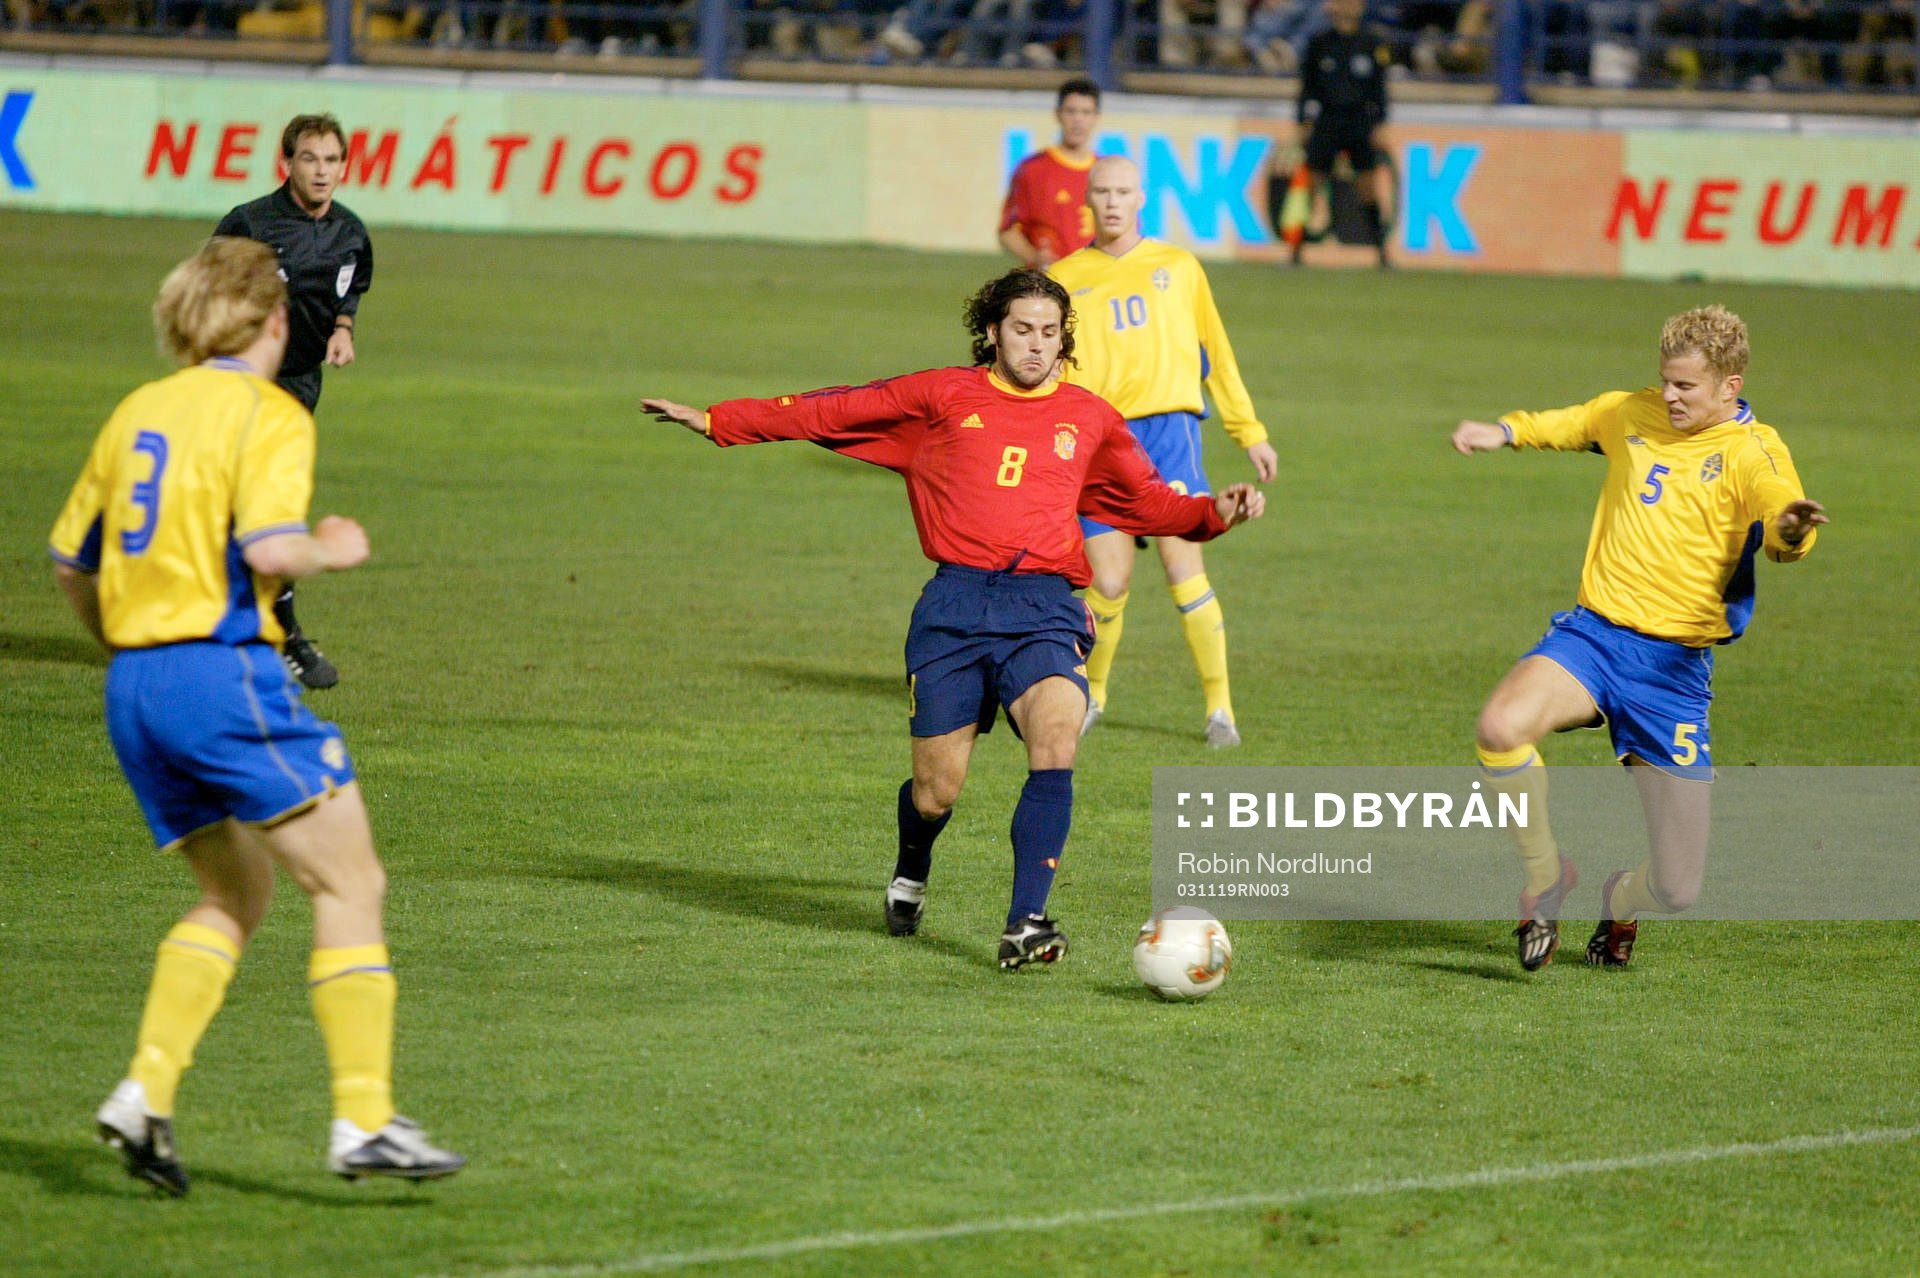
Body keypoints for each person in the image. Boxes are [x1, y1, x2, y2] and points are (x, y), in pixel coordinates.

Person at [640, 269, 1263, 969]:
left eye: (1050, 334)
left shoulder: (1090, 418)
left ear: (1064, 341)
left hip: (1045, 607)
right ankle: (911, 868)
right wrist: (722, 421)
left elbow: (1149, 501)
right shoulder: (942, 396)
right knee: (938, 791)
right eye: (1022, 330)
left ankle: (1027, 922)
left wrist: (1215, 514)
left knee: (1057, 735)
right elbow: (836, 408)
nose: (1036, 346)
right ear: (992, 332)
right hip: (955, 609)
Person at [49, 238, 462, 1196]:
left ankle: (143, 1094)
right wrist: (331, 548)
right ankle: (364, 1119)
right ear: (276, 321)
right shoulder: (267, 414)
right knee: (351, 882)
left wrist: (123, 644)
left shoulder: (138, 410)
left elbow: (72, 562)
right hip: (222, 675)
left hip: (138, 689)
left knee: (235, 896)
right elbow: (268, 541)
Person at [1453, 305, 1826, 972]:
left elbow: (1779, 517)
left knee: (1677, 887)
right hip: (1594, 639)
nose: (1670, 397)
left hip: (1672, 674)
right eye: (1665, 381)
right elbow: (1574, 423)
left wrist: (1793, 532)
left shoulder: (1752, 451)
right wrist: (1505, 431)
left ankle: (1619, 898)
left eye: (1686, 386)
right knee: (1500, 726)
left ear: (1729, 386)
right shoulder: (1634, 412)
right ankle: (1545, 877)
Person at [1048, 155, 1277, 749]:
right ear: (1089, 198)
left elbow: (1217, 352)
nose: (1114, 201)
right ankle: (1093, 696)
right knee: (1110, 580)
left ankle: (1220, 711)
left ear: (1141, 197)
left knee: (1185, 570)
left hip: (1169, 439)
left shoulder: (1178, 266)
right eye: (1103, 191)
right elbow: (1050, 369)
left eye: (1124, 191)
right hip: (1102, 443)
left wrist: (1248, 431)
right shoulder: (1065, 277)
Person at [214, 113, 374, 691]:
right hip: (245, 386)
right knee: (264, 509)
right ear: (288, 162)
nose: (322, 171)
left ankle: (245, 628)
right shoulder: (250, 223)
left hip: (301, 385)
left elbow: (348, 286)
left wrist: (343, 328)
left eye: (332, 160)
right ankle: (283, 636)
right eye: (310, 159)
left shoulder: (350, 233)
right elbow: (205, 292)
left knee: (253, 509)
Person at [1274, 0, 1392, 267]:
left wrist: (1380, 124)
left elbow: (1380, 90)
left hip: (1359, 123)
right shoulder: (1319, 43)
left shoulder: (1372, 43)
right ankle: (1295, 252)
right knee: (1310, 186)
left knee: (1368, 188)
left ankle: (1382, 252)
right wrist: (1303, 120)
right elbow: (1307, 87)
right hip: (1327, 121)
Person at [997, 78, 1101, 269]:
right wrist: (1036, 258)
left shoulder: (1106, 172)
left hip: (1095, 283)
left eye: (1086, 112)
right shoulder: (1033, 170)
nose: (1078, 119)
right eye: (1071, 111)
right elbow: (1008, 231)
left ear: (1096, 117)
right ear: (1058, 114)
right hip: (1047, 285)